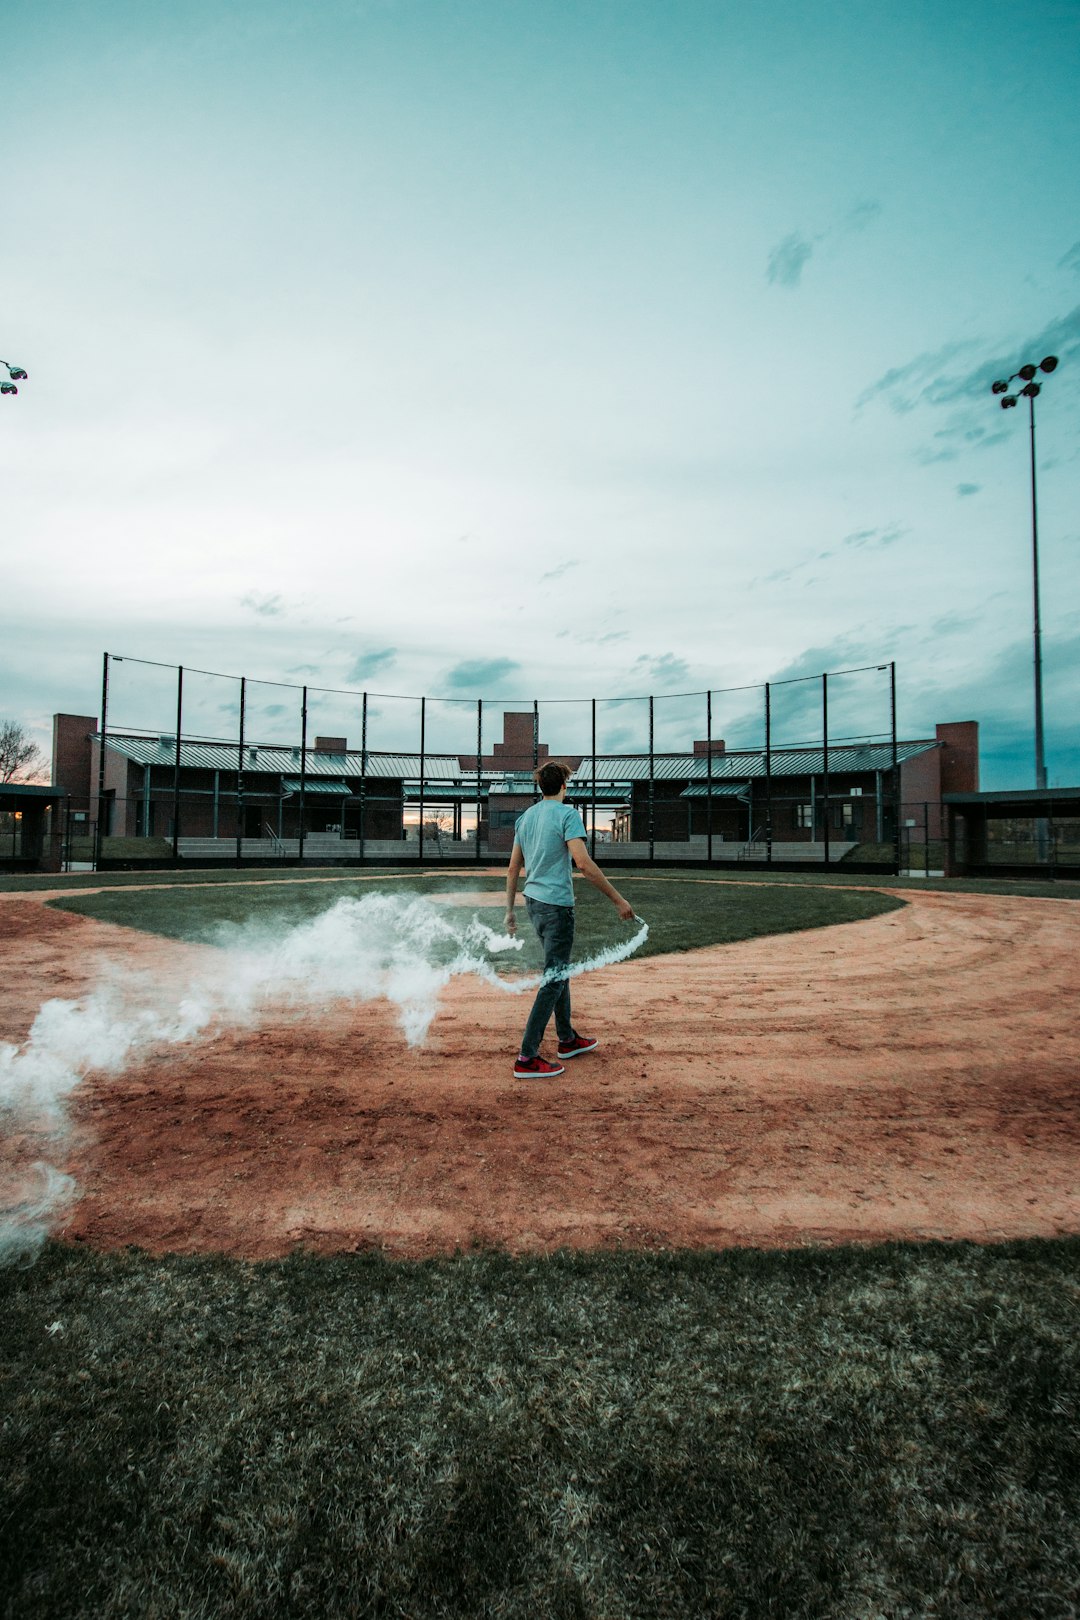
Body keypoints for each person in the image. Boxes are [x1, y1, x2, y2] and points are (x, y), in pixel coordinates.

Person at [505, 760, 635, 1079]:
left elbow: (512, 868)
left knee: (557, 967)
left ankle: (567, 1039)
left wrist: (509, 910)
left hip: (533, 903)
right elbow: (583, 864)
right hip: (556, 906)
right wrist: (618, 900)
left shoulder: (526, 817)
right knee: (553, 977)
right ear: (564, 785)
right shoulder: (567, 814)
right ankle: (527, 1056)